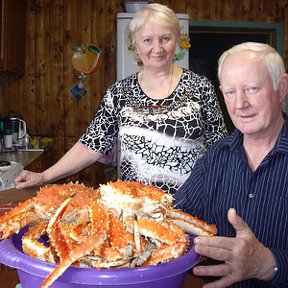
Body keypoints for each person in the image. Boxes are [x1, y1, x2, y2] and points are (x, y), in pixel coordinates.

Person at [15, 3, 227, 194]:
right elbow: (90, 145)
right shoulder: (119, 93)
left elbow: (221, 149)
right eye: (147, 40)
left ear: (177, 39)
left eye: (165, 38)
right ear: (135, 45)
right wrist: (44, 176)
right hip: (133, 208)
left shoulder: (200, 87)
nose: (157, 48)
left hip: (191, 205)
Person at [173, 41, 288, 287]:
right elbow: (177, 218)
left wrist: (269, 263)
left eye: (252, 89)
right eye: (230, 92)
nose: (240, 104)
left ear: (282, 88)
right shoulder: (215, 158)